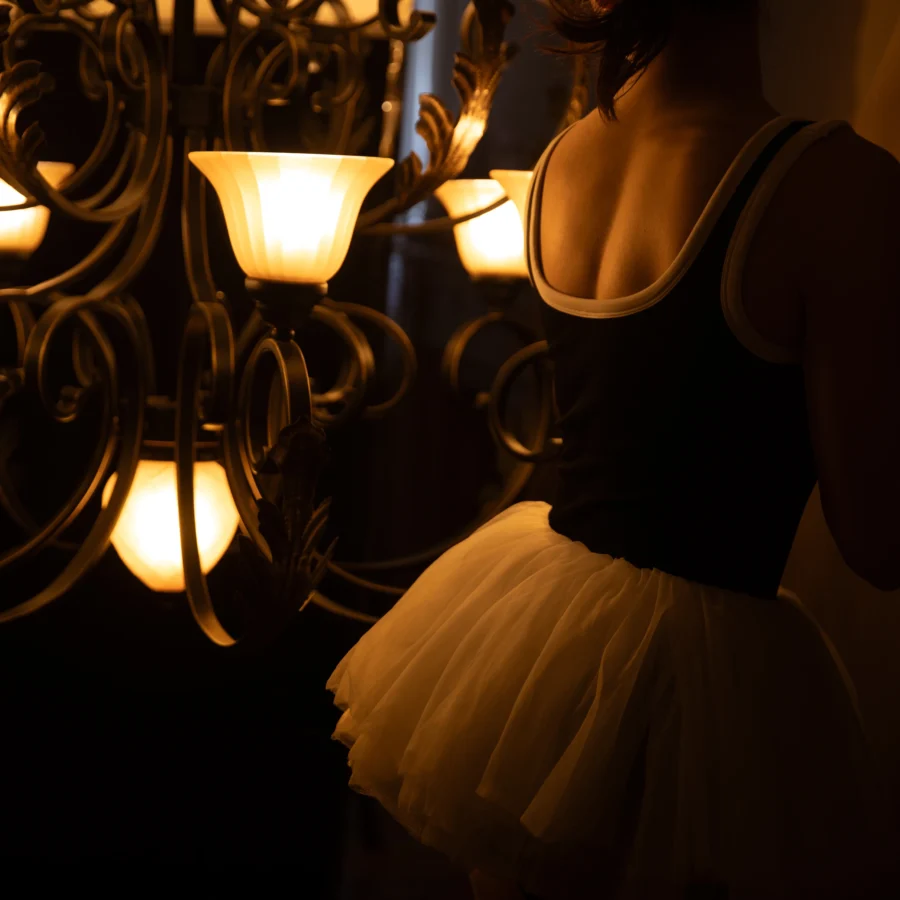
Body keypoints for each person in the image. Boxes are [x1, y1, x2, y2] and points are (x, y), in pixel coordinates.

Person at [326, 0, 900, 897]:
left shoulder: (567, 156)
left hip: (548, 652)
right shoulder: (837, 185)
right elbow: (880, 539)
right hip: (706, 689)